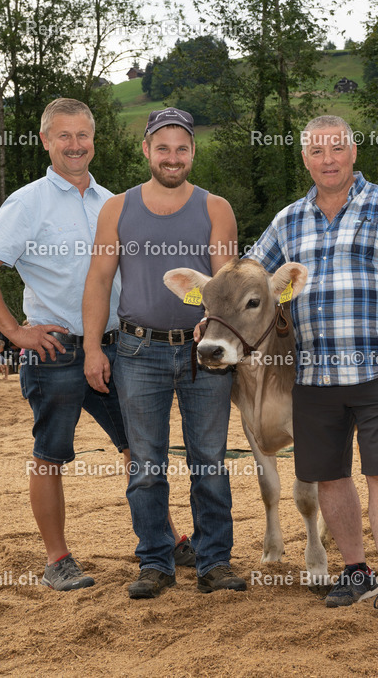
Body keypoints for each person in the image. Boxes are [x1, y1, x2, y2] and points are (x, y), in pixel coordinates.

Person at [0, 98, 192, 592]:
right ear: (45, 141)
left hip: (115, 348)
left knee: (140, 448)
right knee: (50, 455)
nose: (74, 145)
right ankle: (57, 559)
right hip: (56, 349)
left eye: (82, 135)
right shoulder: (28, 202)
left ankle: (165, 539)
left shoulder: (113, 202)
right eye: (62, 136)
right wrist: (14, 332)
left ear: (94, 140)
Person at [246, 115, 378, 626]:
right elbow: (250, 273)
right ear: (304, 159)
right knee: (329, 477)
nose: (327, 159)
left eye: (336, 149)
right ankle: (356, 570)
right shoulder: (287, 221)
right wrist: (213, 314)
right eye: (316, 151)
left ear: (353, 153)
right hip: (310, 374)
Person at [82, 107, 241, 599]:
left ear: (193, 152)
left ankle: (214, 561)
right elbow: (99, 280)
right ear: (146, 150)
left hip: (203, 355)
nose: (172, 157)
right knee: (146, 465)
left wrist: (216, 322)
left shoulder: (216, 208)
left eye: (182, 148)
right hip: (136, 349)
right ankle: (155, 560)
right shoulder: (118, 209)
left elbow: (228, 284)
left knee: (209, 461)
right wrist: (92, 347)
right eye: (163, 147)